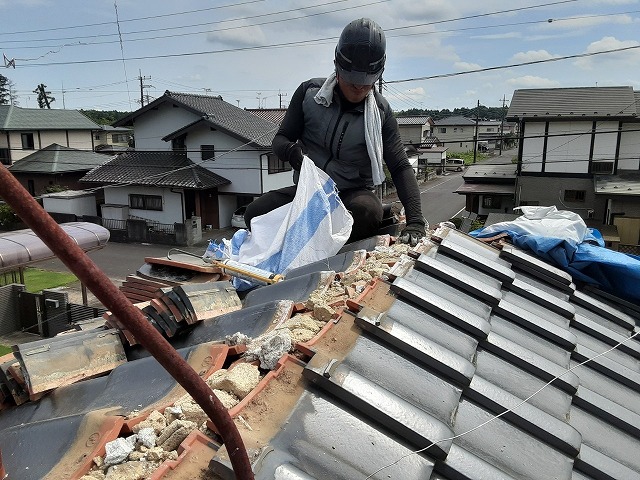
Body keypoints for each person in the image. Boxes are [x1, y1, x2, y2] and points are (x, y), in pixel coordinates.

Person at [245, 17, 426, 246]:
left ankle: (322, 252)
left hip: (351, 195)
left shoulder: (381, 113)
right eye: (353, 81)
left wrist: (416, 221)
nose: (360, 87)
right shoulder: (308, 93)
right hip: (307, 192)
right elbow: (281, 139)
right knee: (255, 214)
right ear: (337, 66)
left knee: (368, 212)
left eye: (367, 82)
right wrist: (291, 151)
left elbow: (399, 166)